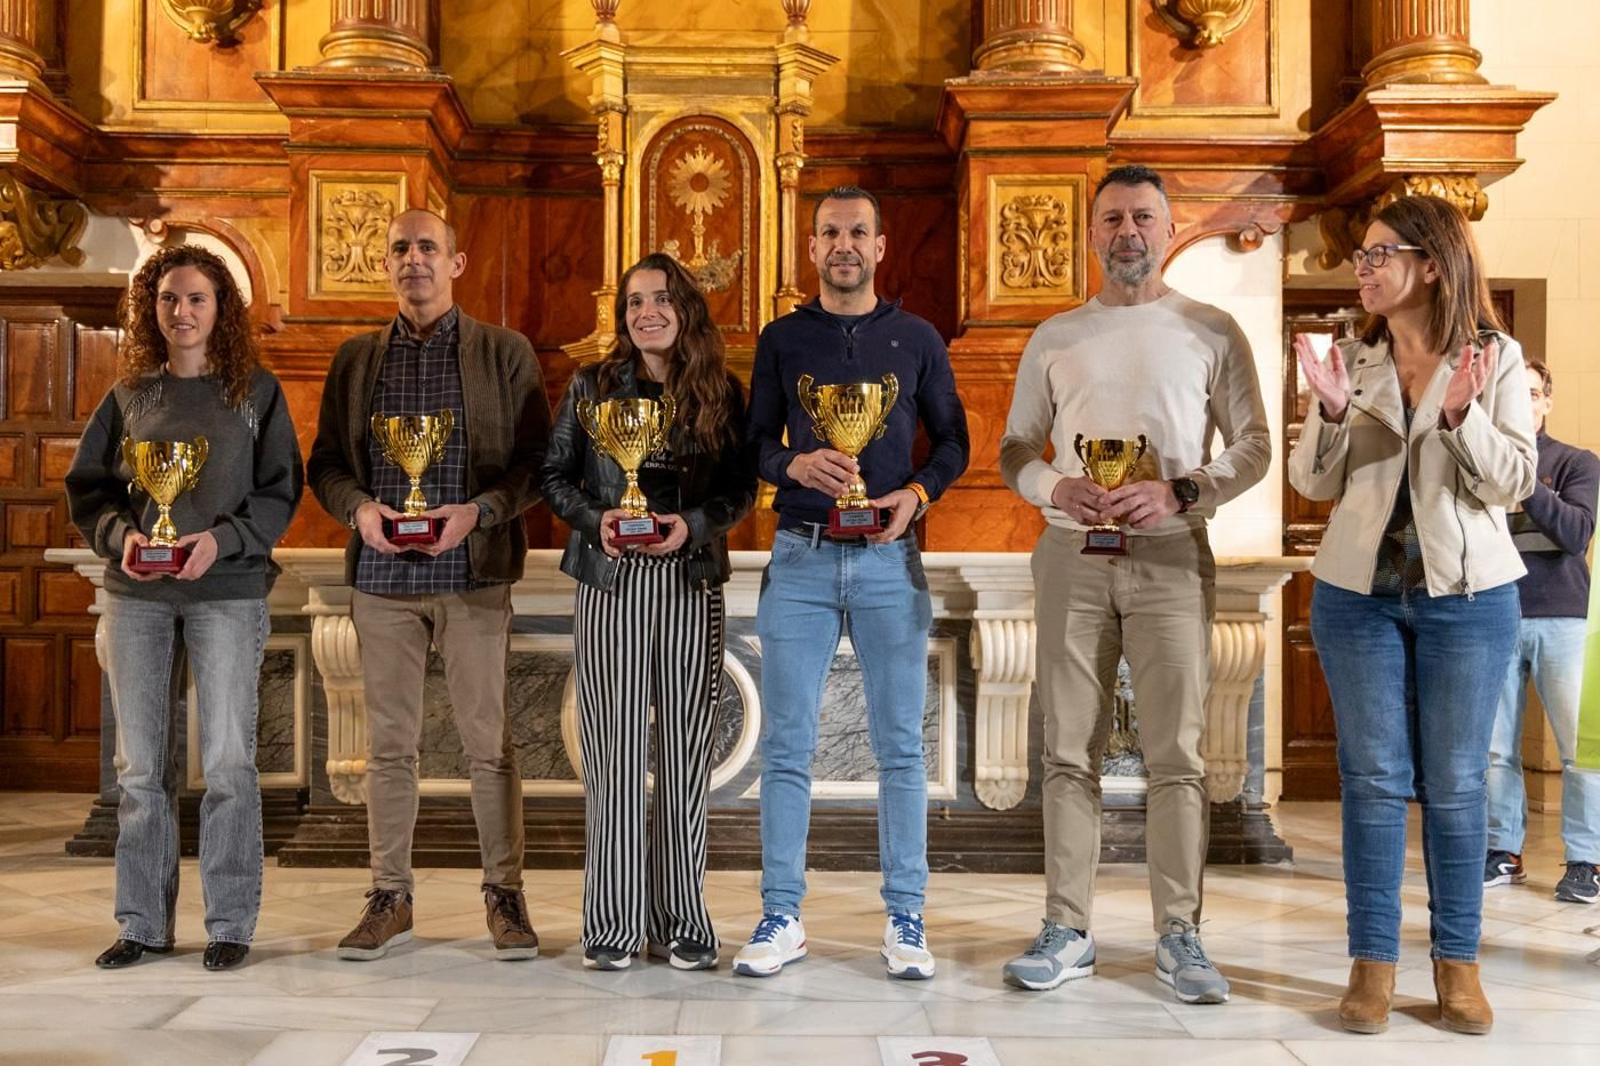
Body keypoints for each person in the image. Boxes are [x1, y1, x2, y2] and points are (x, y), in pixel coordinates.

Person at [997, 165, 1270, 1004]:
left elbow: (1254, 445)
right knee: (1065, 749)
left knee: (1176, 754)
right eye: (1111, 217)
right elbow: (1015, 450)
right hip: (1073, 558)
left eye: (1143, 217)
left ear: (1168, 226)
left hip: (1171, 554)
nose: (1128, 232)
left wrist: (1180, 490)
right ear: (1090, 233)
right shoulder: (1055, 334)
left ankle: (1179, 935)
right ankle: (1067, 928)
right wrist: (1055, 487)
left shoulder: (1212, 328)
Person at [1288, 194, 1536, 1035]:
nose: (1363, 268)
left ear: (1432, 262)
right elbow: (1316, 485)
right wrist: (1323, 411)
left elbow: (1514, 486)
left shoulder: (1495, 360)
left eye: (1379, 253)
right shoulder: (1355, 364)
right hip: (1357, 599)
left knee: (1460, 786)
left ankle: (1458, 967)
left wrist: (1463, 415)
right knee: (1374, 783)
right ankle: (1373, 966)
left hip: (1467, 602)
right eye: (1361, 255)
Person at [735, 185, 969, 981]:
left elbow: (955, 442)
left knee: (902, 747)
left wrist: (916, 494)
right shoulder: (781, 340)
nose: (843, 244)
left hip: (886, 562)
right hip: (799, 555)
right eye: (830, 232)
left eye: (857, 232)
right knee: (788, 745)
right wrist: (793, 463)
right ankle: (781, 915)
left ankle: (906, 917)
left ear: (879, 246)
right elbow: (754, 443)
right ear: (812, 248)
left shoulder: (916, 337)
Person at [307, 209, 552, 962]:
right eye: (400, 248)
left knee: (489, 745)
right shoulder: (355, 359)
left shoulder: (503, 353)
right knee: (388, 748)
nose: (413, 259)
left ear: (457, 262)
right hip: (382, 578)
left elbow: (538, 462)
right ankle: (390, 895)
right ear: (386, 265)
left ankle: (504, 896)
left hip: (471, 576)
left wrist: (479, 512)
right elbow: (325, 464)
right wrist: (362, 510)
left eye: (427, 248)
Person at [65, 245, 303, 972]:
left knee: (229, 762)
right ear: (153, 309)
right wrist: (123, 537)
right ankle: (142, 922)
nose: (183, 311)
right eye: (170, 299)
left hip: (225, 594)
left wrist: (221, 540)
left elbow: (279, 491)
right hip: (137, 596)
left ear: (220, 309)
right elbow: (90, 488)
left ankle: (230, 923)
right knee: (140, 768)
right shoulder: (130, 396)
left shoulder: (255, 394)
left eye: (197, 298)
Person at [540, 253, 755, 971]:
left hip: (690, 581)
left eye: (660, 299)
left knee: (688, 757)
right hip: (612, 580)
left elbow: (739, 490)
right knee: (616, 756)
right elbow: (554, 475)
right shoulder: (591, 385)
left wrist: (692, 523)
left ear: (685, 308)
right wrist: (597, 519)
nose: (646, 313)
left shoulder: (721, 391)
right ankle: (614, 922)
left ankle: (683, 917)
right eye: (634, 303)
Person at [1485, 359, 1600, 903]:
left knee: (1580, 749)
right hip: (1493, 616)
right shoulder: (1481, 464)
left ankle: (1585, 861)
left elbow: (1575, 533)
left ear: (1546, 402)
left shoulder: (1577, 461)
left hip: (1564, 618)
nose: (1521, 402)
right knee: (1493, 750)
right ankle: (1503, 852)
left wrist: (1527, 482)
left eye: (1531, 393)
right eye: (1511, 392)